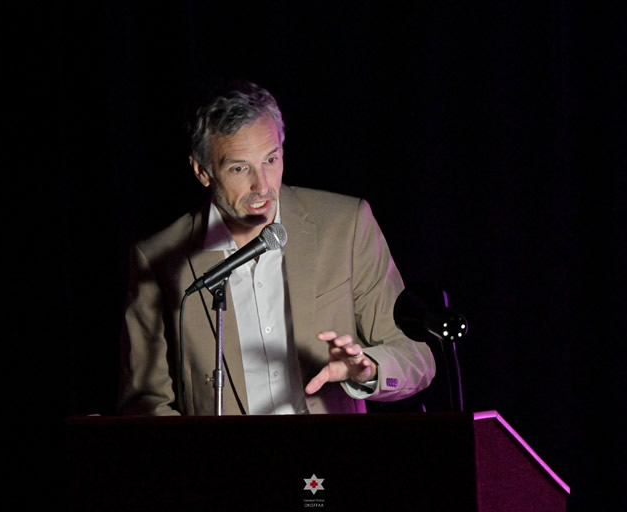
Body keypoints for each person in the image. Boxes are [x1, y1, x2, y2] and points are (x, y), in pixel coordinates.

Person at [118, 81, 435, 415]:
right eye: (240, 168)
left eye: (271, 159)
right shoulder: (159, 258)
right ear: (202, 171)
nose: (263, 185)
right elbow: (145, 402)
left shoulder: (346, 226)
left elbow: (417, 357)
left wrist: (367, 369)